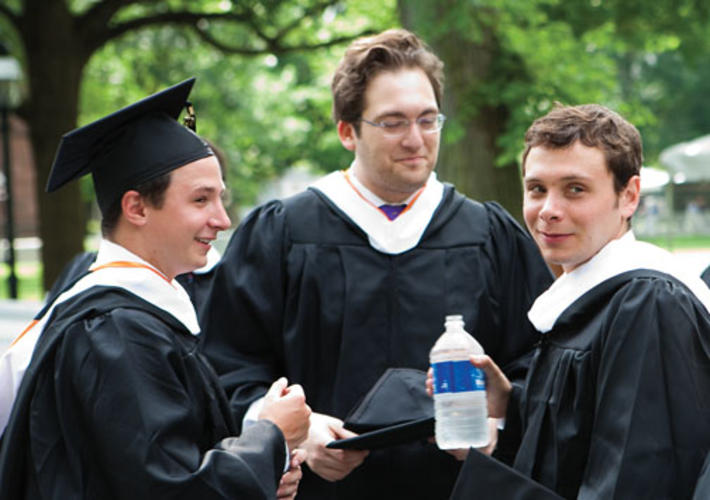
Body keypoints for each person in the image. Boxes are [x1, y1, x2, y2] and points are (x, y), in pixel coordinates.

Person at [199, 29, 553, 500]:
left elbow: (540, 365)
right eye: (393, 122)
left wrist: (498, 419)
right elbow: (229, 369)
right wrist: (293, 436)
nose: (416, 139)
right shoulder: (283, 234)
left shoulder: (488, 235)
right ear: (348, 131)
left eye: (428, 120)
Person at [0, 78, 312, 500]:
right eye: (201, 200)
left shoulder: (133, 316)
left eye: (221, 198)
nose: (222, 220)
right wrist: (270, 437)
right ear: (137, 207)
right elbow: (167, 488)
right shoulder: (115, 331)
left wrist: (265, 471)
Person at [441, 104, 710, 499]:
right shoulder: (582, 300)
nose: (548, 211)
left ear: (629, 196)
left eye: (575, 189)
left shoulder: (648, 304)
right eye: (537, 189)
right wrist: (512, 407)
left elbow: (634, 480)